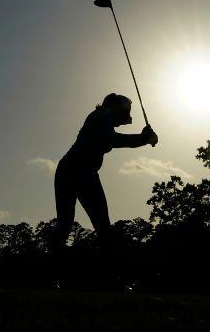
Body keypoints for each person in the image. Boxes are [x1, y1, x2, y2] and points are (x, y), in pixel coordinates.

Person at [53, 93, 158, 253]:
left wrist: (143, 138)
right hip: (80, 171)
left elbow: (113, 136)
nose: (126, 117)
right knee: (102, 226)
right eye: (126, 111)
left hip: (69, 170)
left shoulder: (101, 116)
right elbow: (112, 140)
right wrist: (143, 139)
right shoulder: (104, 114)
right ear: (116, 106)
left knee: (65, 225)